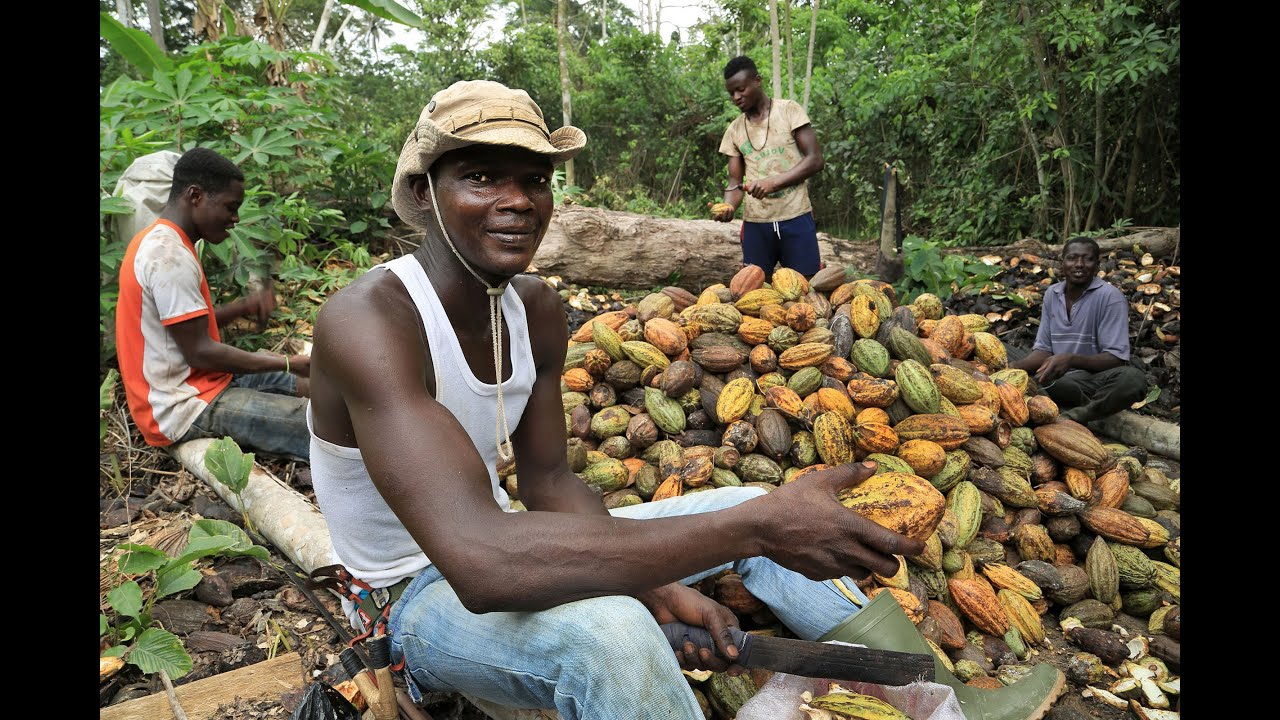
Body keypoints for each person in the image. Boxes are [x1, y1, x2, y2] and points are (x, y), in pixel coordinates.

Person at [306, 79, 1064, 720]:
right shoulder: (370, 320)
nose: (516, 202)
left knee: (749, 504)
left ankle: (946, 700)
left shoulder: (532, 306)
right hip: (410, 600)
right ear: (423, 193)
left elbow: (551, 483)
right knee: (615, 635)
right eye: (480, 178)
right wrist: (748, 535)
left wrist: (659, 580)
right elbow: (479, 564)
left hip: (505, 537)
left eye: (534, 180)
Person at [115, 147, 311, 462]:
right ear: (195, 196)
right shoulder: (167, 255)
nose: (235, 219)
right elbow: (199, 351)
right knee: (314, 424)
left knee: (307, 383)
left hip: (204, 381)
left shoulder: (164, 241)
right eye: (230, 207)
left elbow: (183, 329)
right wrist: (288, 362)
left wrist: (243, 307)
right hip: (180, 407)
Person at [1007, 236, 1147, 424]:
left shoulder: (1110, 297)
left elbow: (1116, 358)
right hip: (1052, 376)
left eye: (1087, 259)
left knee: (1133, 379)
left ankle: (1074, 417)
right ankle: (1034, 399)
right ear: (1062, 264)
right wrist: (1013, 367)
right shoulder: (1052, 294)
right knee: (995, 347)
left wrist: (1071, 359)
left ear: (1097, 266)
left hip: (1086, 381)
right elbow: (1044, 351)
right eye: (1072, 258)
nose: (1079, 264)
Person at [711, 55, 825, 280]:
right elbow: (734, 183)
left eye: (741, 89)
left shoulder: (788, 111)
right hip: (757, 225)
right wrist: (728, 207)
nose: (736, 97)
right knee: (753, 288)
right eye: (731, 93)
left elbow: (815, 160)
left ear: (757, 81)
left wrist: (773, 183)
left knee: (807, 286)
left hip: (796, 216)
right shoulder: (734, 130)